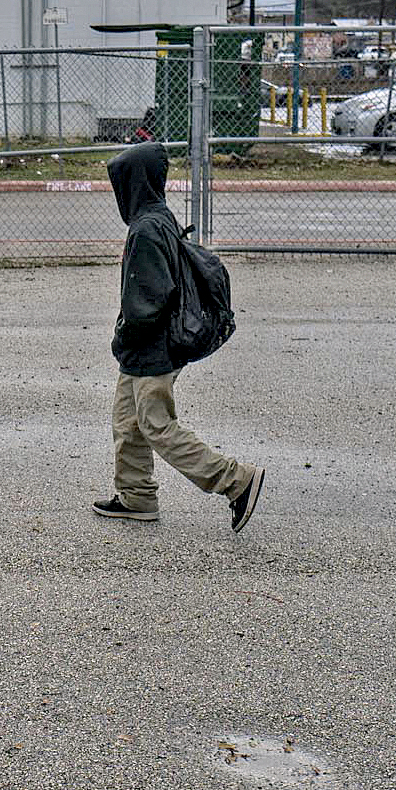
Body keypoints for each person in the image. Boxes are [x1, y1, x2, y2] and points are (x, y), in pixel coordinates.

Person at [93, 143, 265, 532]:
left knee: (156, 425)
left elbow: (148, 301)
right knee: (128, 422)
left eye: (121, 182)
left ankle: (235, 480)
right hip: (143, 348)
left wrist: (123, 336)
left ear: (134, 183)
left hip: (152, 346)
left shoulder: (147, 229)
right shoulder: (157, 218)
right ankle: (136, 497)